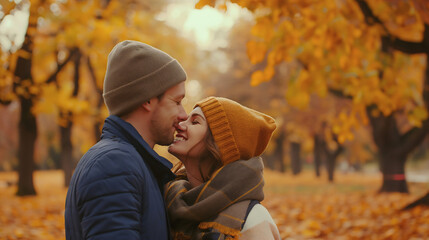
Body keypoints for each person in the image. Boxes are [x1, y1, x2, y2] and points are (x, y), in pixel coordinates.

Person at [65, 40, 188, 240]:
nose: (183, 114)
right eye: (177, 102)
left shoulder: (130, 163)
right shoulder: (114, 165)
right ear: (147, 100)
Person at [165, 97, 281, 240]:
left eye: (195, 122)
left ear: (219, 144)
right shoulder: (169, 198)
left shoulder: (251, 220)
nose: (180, 125)